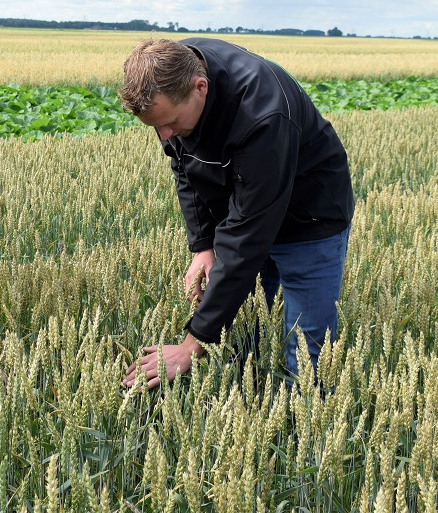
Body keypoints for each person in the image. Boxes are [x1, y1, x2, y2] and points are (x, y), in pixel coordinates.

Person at [120, 38, 354, 389]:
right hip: (247, 204)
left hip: (310, 220)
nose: (165, 135)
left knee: (306, 357)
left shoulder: (263, 114)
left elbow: (247, 239)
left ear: (201, 87)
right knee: (245, 336)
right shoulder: (172, 72)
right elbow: (185, 168)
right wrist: (203, 245)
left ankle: (303, 432)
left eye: (169, 123)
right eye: (156, 127)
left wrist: (192, 344)